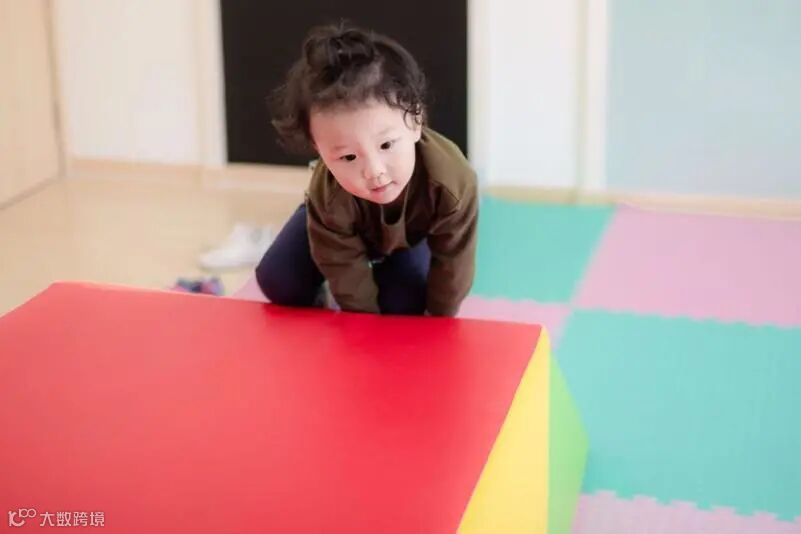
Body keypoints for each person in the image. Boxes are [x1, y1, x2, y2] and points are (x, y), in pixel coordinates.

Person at [254, 22, 478, 316]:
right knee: (278, 280)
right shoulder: (329, 196)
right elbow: (339, 261)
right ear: (318, 150)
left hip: (408, 237)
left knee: (403, 306)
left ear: (416, 122)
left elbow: (454, 263)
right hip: (340, 229)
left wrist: (439, 320)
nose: (374, 171)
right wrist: (363, 321)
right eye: (348, 157)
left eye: (386, 145)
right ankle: (324, 299)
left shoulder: (452, 181)